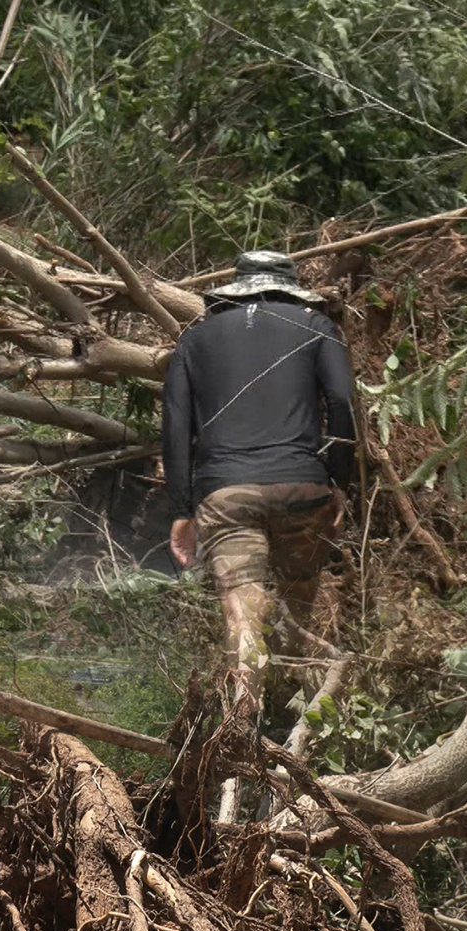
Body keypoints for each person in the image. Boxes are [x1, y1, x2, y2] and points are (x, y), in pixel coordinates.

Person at [161, 250, 355, 697]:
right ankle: (293, 705)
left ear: (236, 287)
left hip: (226, 493)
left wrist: (181, 507)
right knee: (297, 604)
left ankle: (245, 721)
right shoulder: (316, 325)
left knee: (241, 613)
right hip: (303, 486)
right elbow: (342, 403)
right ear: (289, 286)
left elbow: (175, 425)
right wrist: (338, 481)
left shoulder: (196, 338)